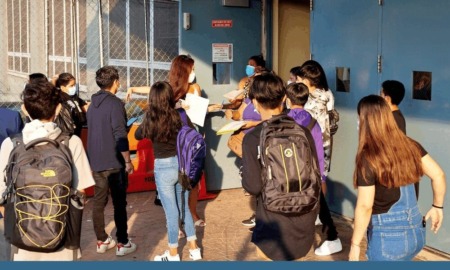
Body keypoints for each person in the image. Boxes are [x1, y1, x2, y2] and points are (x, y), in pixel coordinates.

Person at [0, 80, 94, 260]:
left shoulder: (11, 145)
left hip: (22, 244)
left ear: (24, 109)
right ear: (58, 109)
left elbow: (2, 197)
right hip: (63, 242)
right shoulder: (71, 142)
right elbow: (81, 194)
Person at [127, 55, 221, 228]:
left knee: (192, 180)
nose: (194, 73)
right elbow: (152, 90)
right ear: (183, 71)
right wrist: (133, 89)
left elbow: (197, 109)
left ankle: (192, 214)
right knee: (176, 183)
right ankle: (177, 221)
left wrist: (209, 108)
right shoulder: (168, 89)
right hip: (174, 138)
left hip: (191, 134)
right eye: (192, 69)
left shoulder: (195, 87)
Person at [349, 95, 446, 261]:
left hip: (388, 238)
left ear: (365, 120)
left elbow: (365, 206)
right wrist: (438, 206)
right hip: (416, 232)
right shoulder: (410, 144)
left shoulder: (368, 158)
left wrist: (355, 244)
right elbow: (438, 174)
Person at [241, 73, 316, 260]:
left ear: (255, 102)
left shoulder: (252, 137)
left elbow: (253, 186)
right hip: (304, 219)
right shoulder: (303, 132)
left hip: (272, 222)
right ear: (284, 99)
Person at [135, 81, 202, 261]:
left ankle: (173, 254)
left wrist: (148, 116)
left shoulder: (151, 118)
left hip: (163, 168)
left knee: (171, 213)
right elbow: (192, 132)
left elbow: (138, 135)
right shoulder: (179, 115)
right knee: (184, 208)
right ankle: (194, 249)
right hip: (181, 166)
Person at [87, 66, 137, 256]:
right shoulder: (115, 104)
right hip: (114, 162)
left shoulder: (92, 105)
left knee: (98, 202)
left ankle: (101, 240)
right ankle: (122, 242)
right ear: (115, 82)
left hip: (96, 162)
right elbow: (119, 133)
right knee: (119, 203)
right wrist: (127, 160)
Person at [297, 60, 342, 255]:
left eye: (302, 77)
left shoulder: (308, 97)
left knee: (311, 178)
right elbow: (332, 121)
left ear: (309, 79)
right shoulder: (328, 93)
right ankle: (317, 212)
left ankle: (319, 215)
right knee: (321, 176)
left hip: (311, 143)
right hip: (325, 142)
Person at [55, 73, 89, 137]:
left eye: (74, 85)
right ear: (62, 87)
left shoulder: (74, 97)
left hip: (78, 128)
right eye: (71, 86)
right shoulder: (60, 98)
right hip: (67, 131)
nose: (74, 88)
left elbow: (85, 107)